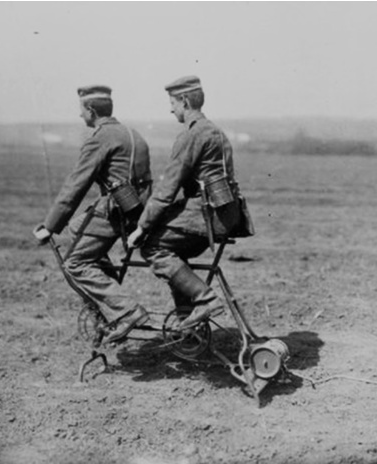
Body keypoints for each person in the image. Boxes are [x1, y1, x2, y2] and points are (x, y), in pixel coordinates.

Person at [128, 75, 252, 330]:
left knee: (152, 247)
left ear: (184, 101)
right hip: (226, 215)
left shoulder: (192, 135)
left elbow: (167, 188)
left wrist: (142, 227)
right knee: (176, 249)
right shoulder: (216, 131)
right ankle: (187, 322)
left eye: (172, 103)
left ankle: (204, 300)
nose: (170, 109)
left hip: (208, 216)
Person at [34, 85, 153, 344]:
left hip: (117, 211)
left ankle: (126, 311)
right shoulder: (133, 133)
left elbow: (76, 184)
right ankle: (110, 295)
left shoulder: (100, 138)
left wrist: (49, 226)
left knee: (74, 264)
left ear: (91, 110)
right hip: (139, 211)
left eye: (81, 110)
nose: (80, 115)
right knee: (76, 227)